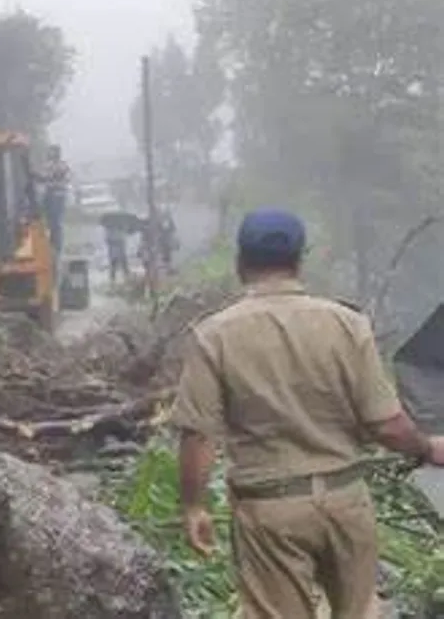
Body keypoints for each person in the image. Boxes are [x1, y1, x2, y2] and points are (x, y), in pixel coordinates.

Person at [172, 208, 444, 619]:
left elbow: (198, 435)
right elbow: (386, 424)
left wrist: (194, 507)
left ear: (241, 262)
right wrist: (427, 448)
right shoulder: (348, 325)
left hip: (270, 511)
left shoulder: (215, 336)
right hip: (346, 500)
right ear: (301, 259)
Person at [36, 144, 71, 258]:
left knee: (56, 221)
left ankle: (57, 245)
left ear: (57, 153)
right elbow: (43, 177)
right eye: (49, 151)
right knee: (45, 218)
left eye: (52, 152)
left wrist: (47, 177)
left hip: (58, 194)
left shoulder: (62, 165)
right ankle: (48, 241)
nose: (50, 154)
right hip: (49, 193)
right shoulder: (47, 165)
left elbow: (61, 176)